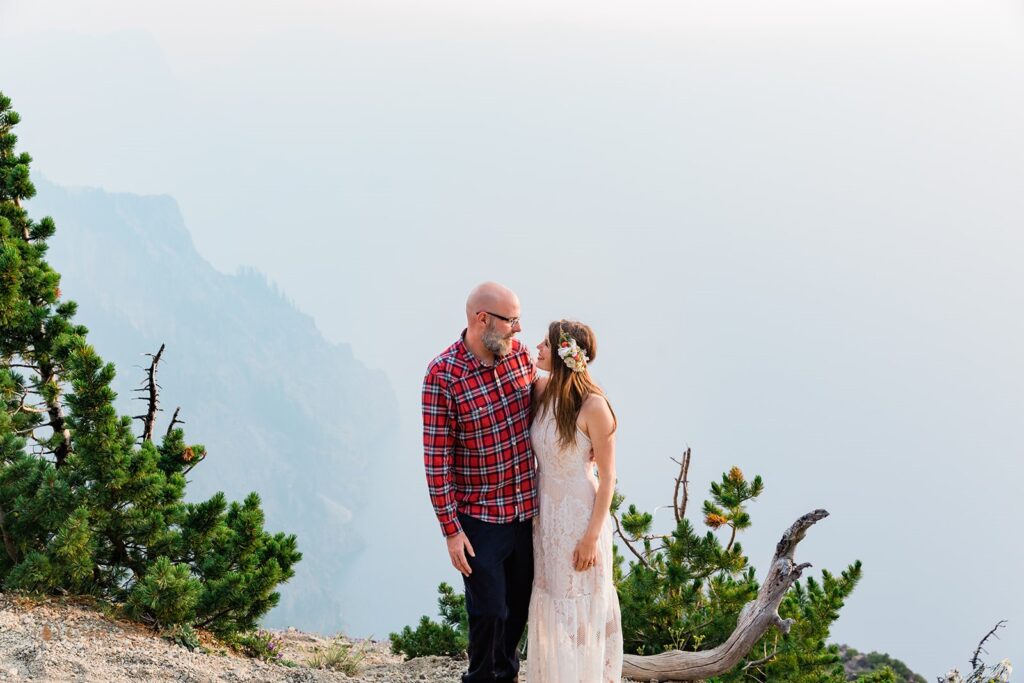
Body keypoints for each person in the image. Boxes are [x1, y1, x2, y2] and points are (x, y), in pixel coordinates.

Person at [422, 282, 537, 683]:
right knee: (489, 610)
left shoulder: (518, 357)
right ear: (481, 319)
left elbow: (549, 403)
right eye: (512, 320)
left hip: (527, 513)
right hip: (480, 518)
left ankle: (505, 676)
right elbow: (436, 460)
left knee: (518, 609)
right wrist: (451, 531)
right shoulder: (442, 375)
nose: (519, 329)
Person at [527, 319, 623, 682]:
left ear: (566, 355)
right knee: (553, 605)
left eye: (546, 345)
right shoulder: (542, 390)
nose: (538, 347)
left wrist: (590, 538)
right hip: (547, 518)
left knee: (578, 609)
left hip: (582, 518)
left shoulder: (594, 406)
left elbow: (608, 476)